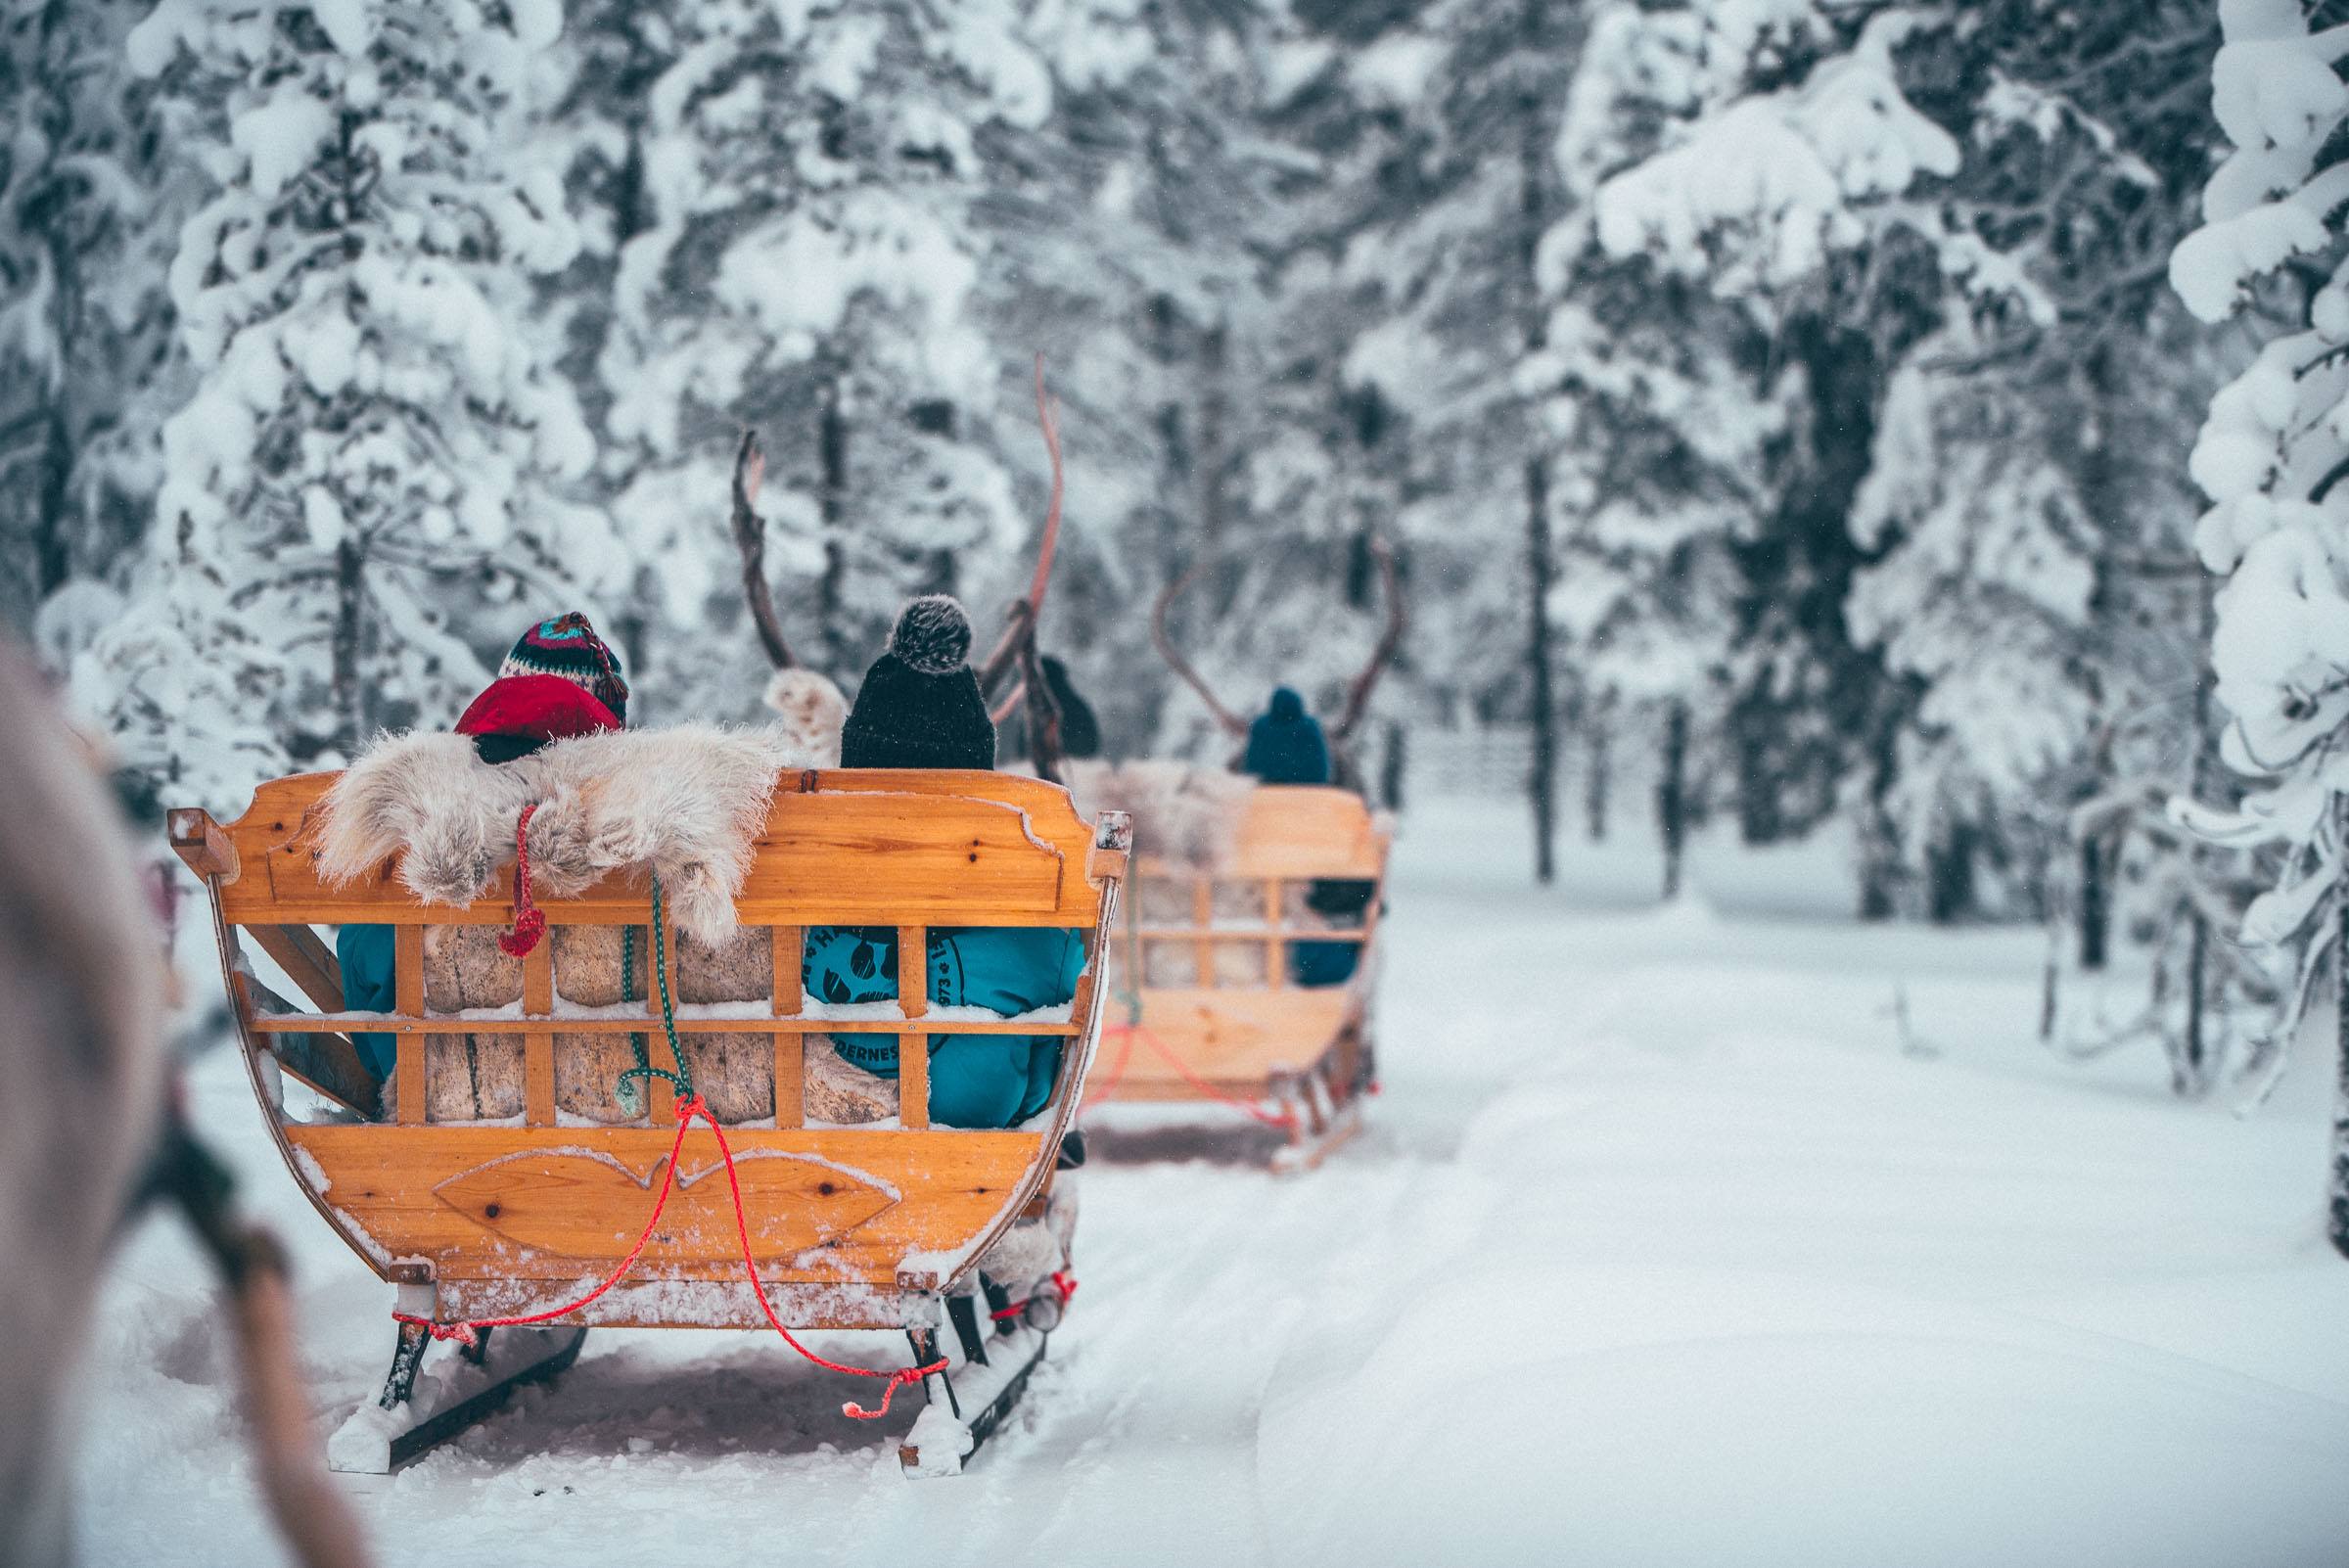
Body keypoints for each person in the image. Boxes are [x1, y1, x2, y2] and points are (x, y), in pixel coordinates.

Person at [805, 596, 1085, 1129]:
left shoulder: (789, 870)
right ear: (980, 776)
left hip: (802, 1145)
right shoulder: (1043, 909)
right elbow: (1045, 1086)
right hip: (973, 1157)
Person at [337, 613, 630, 1080]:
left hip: (440, 1104)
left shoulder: (413, 828)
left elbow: (365, 987)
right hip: (629, 1100)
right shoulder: (644, 840)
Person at [1237, 685, 1367, 988]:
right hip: (1314, 962)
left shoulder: (1238, 823)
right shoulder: (1339, 824)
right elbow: (1357, 901)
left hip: (1242, 958)